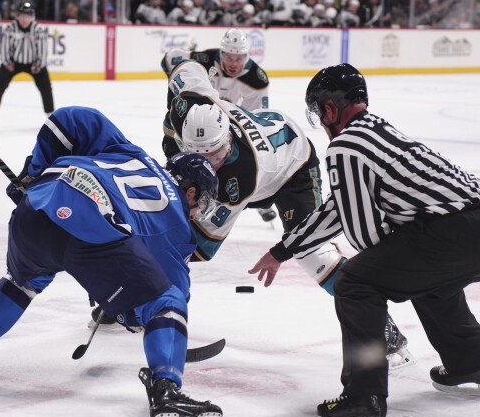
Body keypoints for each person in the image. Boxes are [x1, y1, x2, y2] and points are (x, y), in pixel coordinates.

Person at [249, 64, 480, 417]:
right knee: (432, 283)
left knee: (357, 283)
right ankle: (472, 368)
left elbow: (360, 231)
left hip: (456, 230)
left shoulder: (345, 146)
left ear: (329, 110)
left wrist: (371, 267)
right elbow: (339, 208)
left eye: (319, 112)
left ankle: (363, 400)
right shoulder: (377, 130)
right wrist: (283, 250)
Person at [0, 106, 227, 417]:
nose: (196, 213)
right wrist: (131, 315)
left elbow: (70, 120)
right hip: (87, 230)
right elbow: (167, 299)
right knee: (166, 302)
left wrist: (32, 175)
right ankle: (167, 394)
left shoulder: (129, 152)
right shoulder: (178, 226)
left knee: (24, 280)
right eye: (200, 203)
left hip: (34, 210)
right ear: (191, 191)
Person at [145, 55, 414, 372]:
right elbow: (186, 68)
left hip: (292, 169)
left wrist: (148, 269)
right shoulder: (192, 107)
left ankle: (385, 330)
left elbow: (201, 248)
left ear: (227, 138)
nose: (208, 162)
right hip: (268, 128)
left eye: (215, 154)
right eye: (197, 154)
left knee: (312, 252)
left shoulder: (239, 178)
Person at [160, 29, 276, 223]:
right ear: (221, 53)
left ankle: (256, 200)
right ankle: (179, 194)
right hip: (191, 121)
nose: (233, 63)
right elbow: (170, 59)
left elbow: (253, 117)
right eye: (229, 56)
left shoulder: (256, 79)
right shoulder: (203, 59)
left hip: (222, 127)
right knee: (178, 157)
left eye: (239, 57)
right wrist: (177, 93)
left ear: (247, 56)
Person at [0, 2, 53, 122]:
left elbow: (43, 50)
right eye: (22, 16)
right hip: (13, 63)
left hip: (34, 63)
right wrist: (7, 62)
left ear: (32, 17)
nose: (24, 19)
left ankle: (50, 113)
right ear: (17, 16)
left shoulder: (38, 30)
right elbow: (4, 47)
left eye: (27, 16)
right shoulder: (10, 28)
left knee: (46, 87)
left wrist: (39, 64)